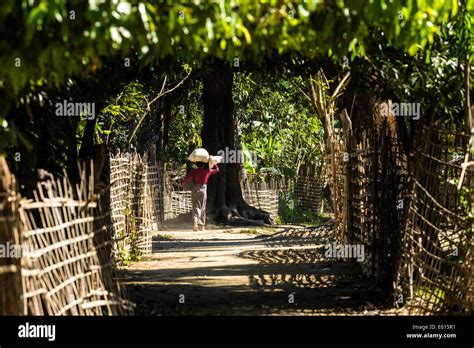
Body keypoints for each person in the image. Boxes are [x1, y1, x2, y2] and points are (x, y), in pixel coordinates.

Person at [181, 162, 219, 231]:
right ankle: (201, 225)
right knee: (203, 206)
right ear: (204, 165)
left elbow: (187, 179)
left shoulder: (194, 171)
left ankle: (195, 223)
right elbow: (217, 170)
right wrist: (214, 163)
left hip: (195, 188)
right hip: (204, 188)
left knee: (195, 206)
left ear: (196, 165)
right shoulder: (207, 171)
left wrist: (184, 183)